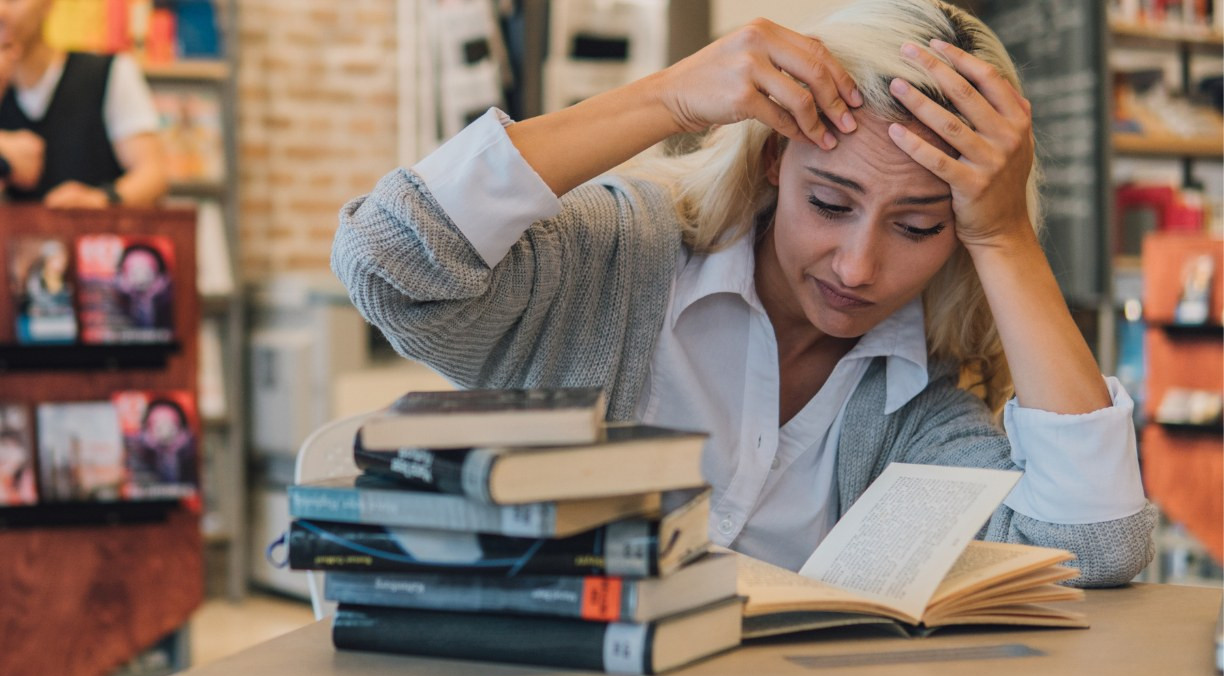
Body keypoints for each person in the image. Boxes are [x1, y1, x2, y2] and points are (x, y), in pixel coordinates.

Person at [331, 0, 1155, 586]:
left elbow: (1094, 547)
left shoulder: (916, 407)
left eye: (918, 228)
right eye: (829, 204)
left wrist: (1005, 236)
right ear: (773, 163)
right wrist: (663, 97)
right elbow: (386, 262)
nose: (858, 267)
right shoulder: (617, 263)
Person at [0, 0, 168, 207]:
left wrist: (100, 200)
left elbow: (153, 173)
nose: (3, 10)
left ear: (48, 4)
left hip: (95, 235)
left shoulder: (106, 73)